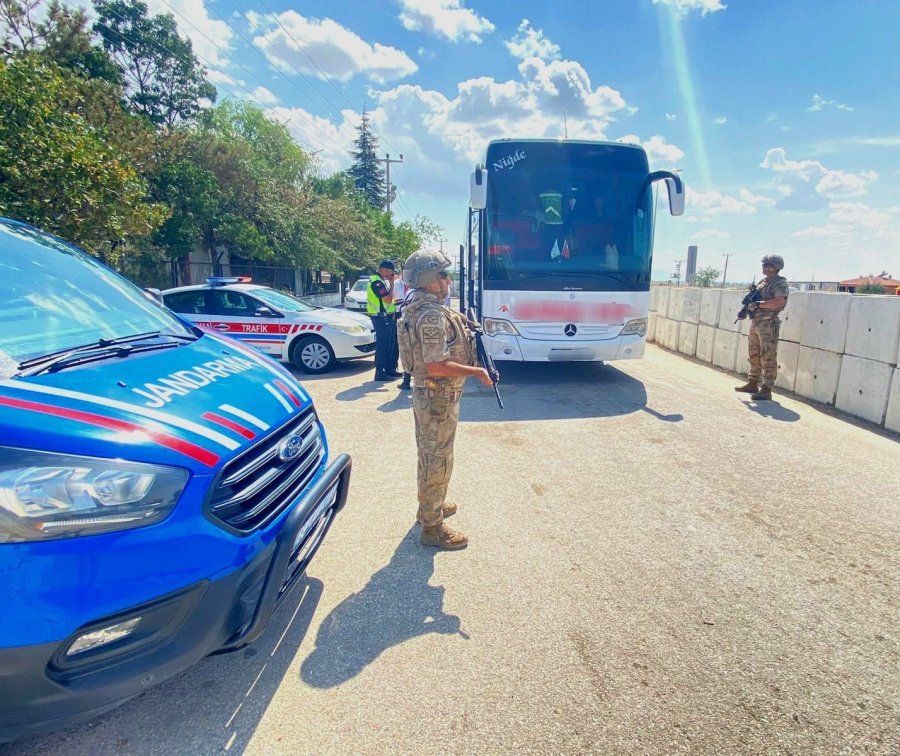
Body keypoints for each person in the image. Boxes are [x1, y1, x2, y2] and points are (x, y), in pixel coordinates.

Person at [397, 250, 495, 550]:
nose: (448, 279)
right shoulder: (429, 315)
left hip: (434, 395)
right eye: (442, 274)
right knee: (437, 459)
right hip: (436, 396)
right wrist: (477, 372)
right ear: (428, 279)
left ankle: (430, 506)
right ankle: (432, 528)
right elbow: (436, 365)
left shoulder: (427, 307)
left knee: (430, 456)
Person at [735, 254, 789, 401]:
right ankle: (753, 382)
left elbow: (778, 302)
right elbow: (753, 299)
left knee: (768, 356)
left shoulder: (780, 283)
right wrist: (745, 311)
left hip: (768, 323)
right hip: (756, 322)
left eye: (767, 265)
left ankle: (767, 389)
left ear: (775, 267)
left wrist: (759, 304)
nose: (763, 267)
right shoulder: (762, 282)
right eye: (764, 264)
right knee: (753, 353)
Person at [366, 260, 401, 381]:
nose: (392, 275)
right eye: (391, 272)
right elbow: (387, 299)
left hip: (387, 316)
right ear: (384, 270)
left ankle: (390, 370)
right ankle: (380, 373)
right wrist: (392, 284)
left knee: (391, 343)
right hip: (381, 317)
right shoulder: (376, 282)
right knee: (383, 345)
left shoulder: (381, 280)